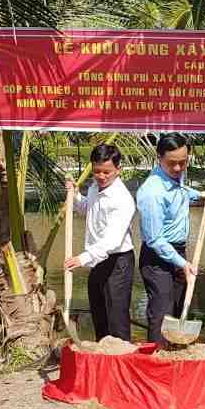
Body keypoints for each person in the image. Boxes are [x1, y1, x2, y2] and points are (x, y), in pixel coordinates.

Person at [136, 133, 205, 343]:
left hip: (178, 253)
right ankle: (156, 354)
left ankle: (176, 353)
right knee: (162, 313)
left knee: (179, 307)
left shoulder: (174, 177)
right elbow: (155, 240)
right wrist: (183, 263)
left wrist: (199, 194)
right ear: (159, 158)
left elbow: (179, 191)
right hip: (157, 258)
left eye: (183, 162)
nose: (179, 168)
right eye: (172, 163)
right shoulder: (151, 193)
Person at [64, 143, 136, 342]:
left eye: (107, 172)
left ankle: (121, 357)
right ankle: (102, 355)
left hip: (117, 262)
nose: (101, 176)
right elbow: (88, 209)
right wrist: (74, 195)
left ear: (118, 170)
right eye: (97, 171)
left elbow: (112, 240)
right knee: (99, 314)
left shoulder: (122, 199)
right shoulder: (95, 187)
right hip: (98, 260)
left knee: (116, 320)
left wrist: (82, 259)